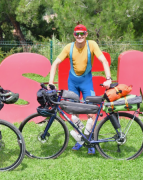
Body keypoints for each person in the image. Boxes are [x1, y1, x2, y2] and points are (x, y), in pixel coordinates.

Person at [48, 24, 112, 154]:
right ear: (74, 35)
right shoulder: (69, 47)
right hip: (73, 82)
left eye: (82, 33)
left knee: (92, 113)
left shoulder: (92, 44)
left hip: (87, 81)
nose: (80, 36)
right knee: (74, 113)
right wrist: (50, 82)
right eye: (77, 34)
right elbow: (55, 63)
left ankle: (90, 141)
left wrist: (109, 78)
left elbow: (104, 61)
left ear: (86, 34)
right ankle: (80, 139)